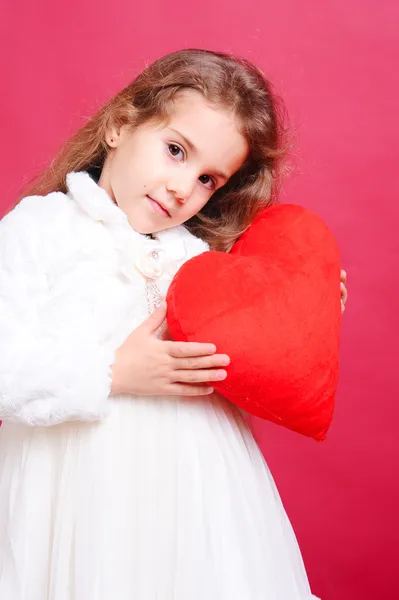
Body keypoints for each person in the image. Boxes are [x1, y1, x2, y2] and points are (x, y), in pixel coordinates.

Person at [0, 49, 347, 599]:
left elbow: (246, 364)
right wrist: (112, 372)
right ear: (119, 126)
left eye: (209, 178)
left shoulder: (201, 262)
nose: (184, 187)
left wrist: (303, 309)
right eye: (175, 151)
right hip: (77, 501)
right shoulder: (40, 230)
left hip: (194, 506)